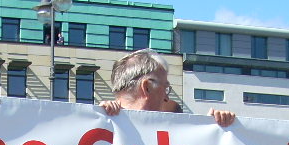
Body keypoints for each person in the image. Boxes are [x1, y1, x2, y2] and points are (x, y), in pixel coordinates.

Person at [100, 48, 235, 127]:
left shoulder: (172, 130)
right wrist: (100, 115)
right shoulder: (100, 123)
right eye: (165, 88)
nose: (167, 97)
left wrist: (214, 129)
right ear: (147, 87)